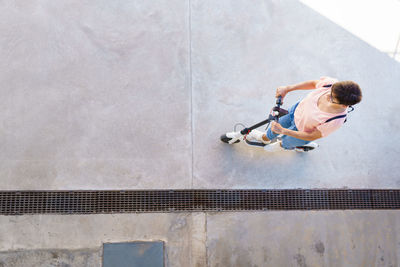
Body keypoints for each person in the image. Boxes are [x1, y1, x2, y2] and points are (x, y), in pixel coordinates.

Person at [247, 77, 362, 152]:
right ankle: (264, 138)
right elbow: (313, 83)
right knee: (274, 128)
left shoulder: (335, 120)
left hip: (301, 132)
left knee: (286, 143)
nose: (327, 95)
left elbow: (312, 136)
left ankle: (291, 146)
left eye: (332, 98)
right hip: (294, 112)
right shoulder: (331, 85)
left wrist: (284, 131)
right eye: (331, 92)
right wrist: (287, 89)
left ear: (343, 106)